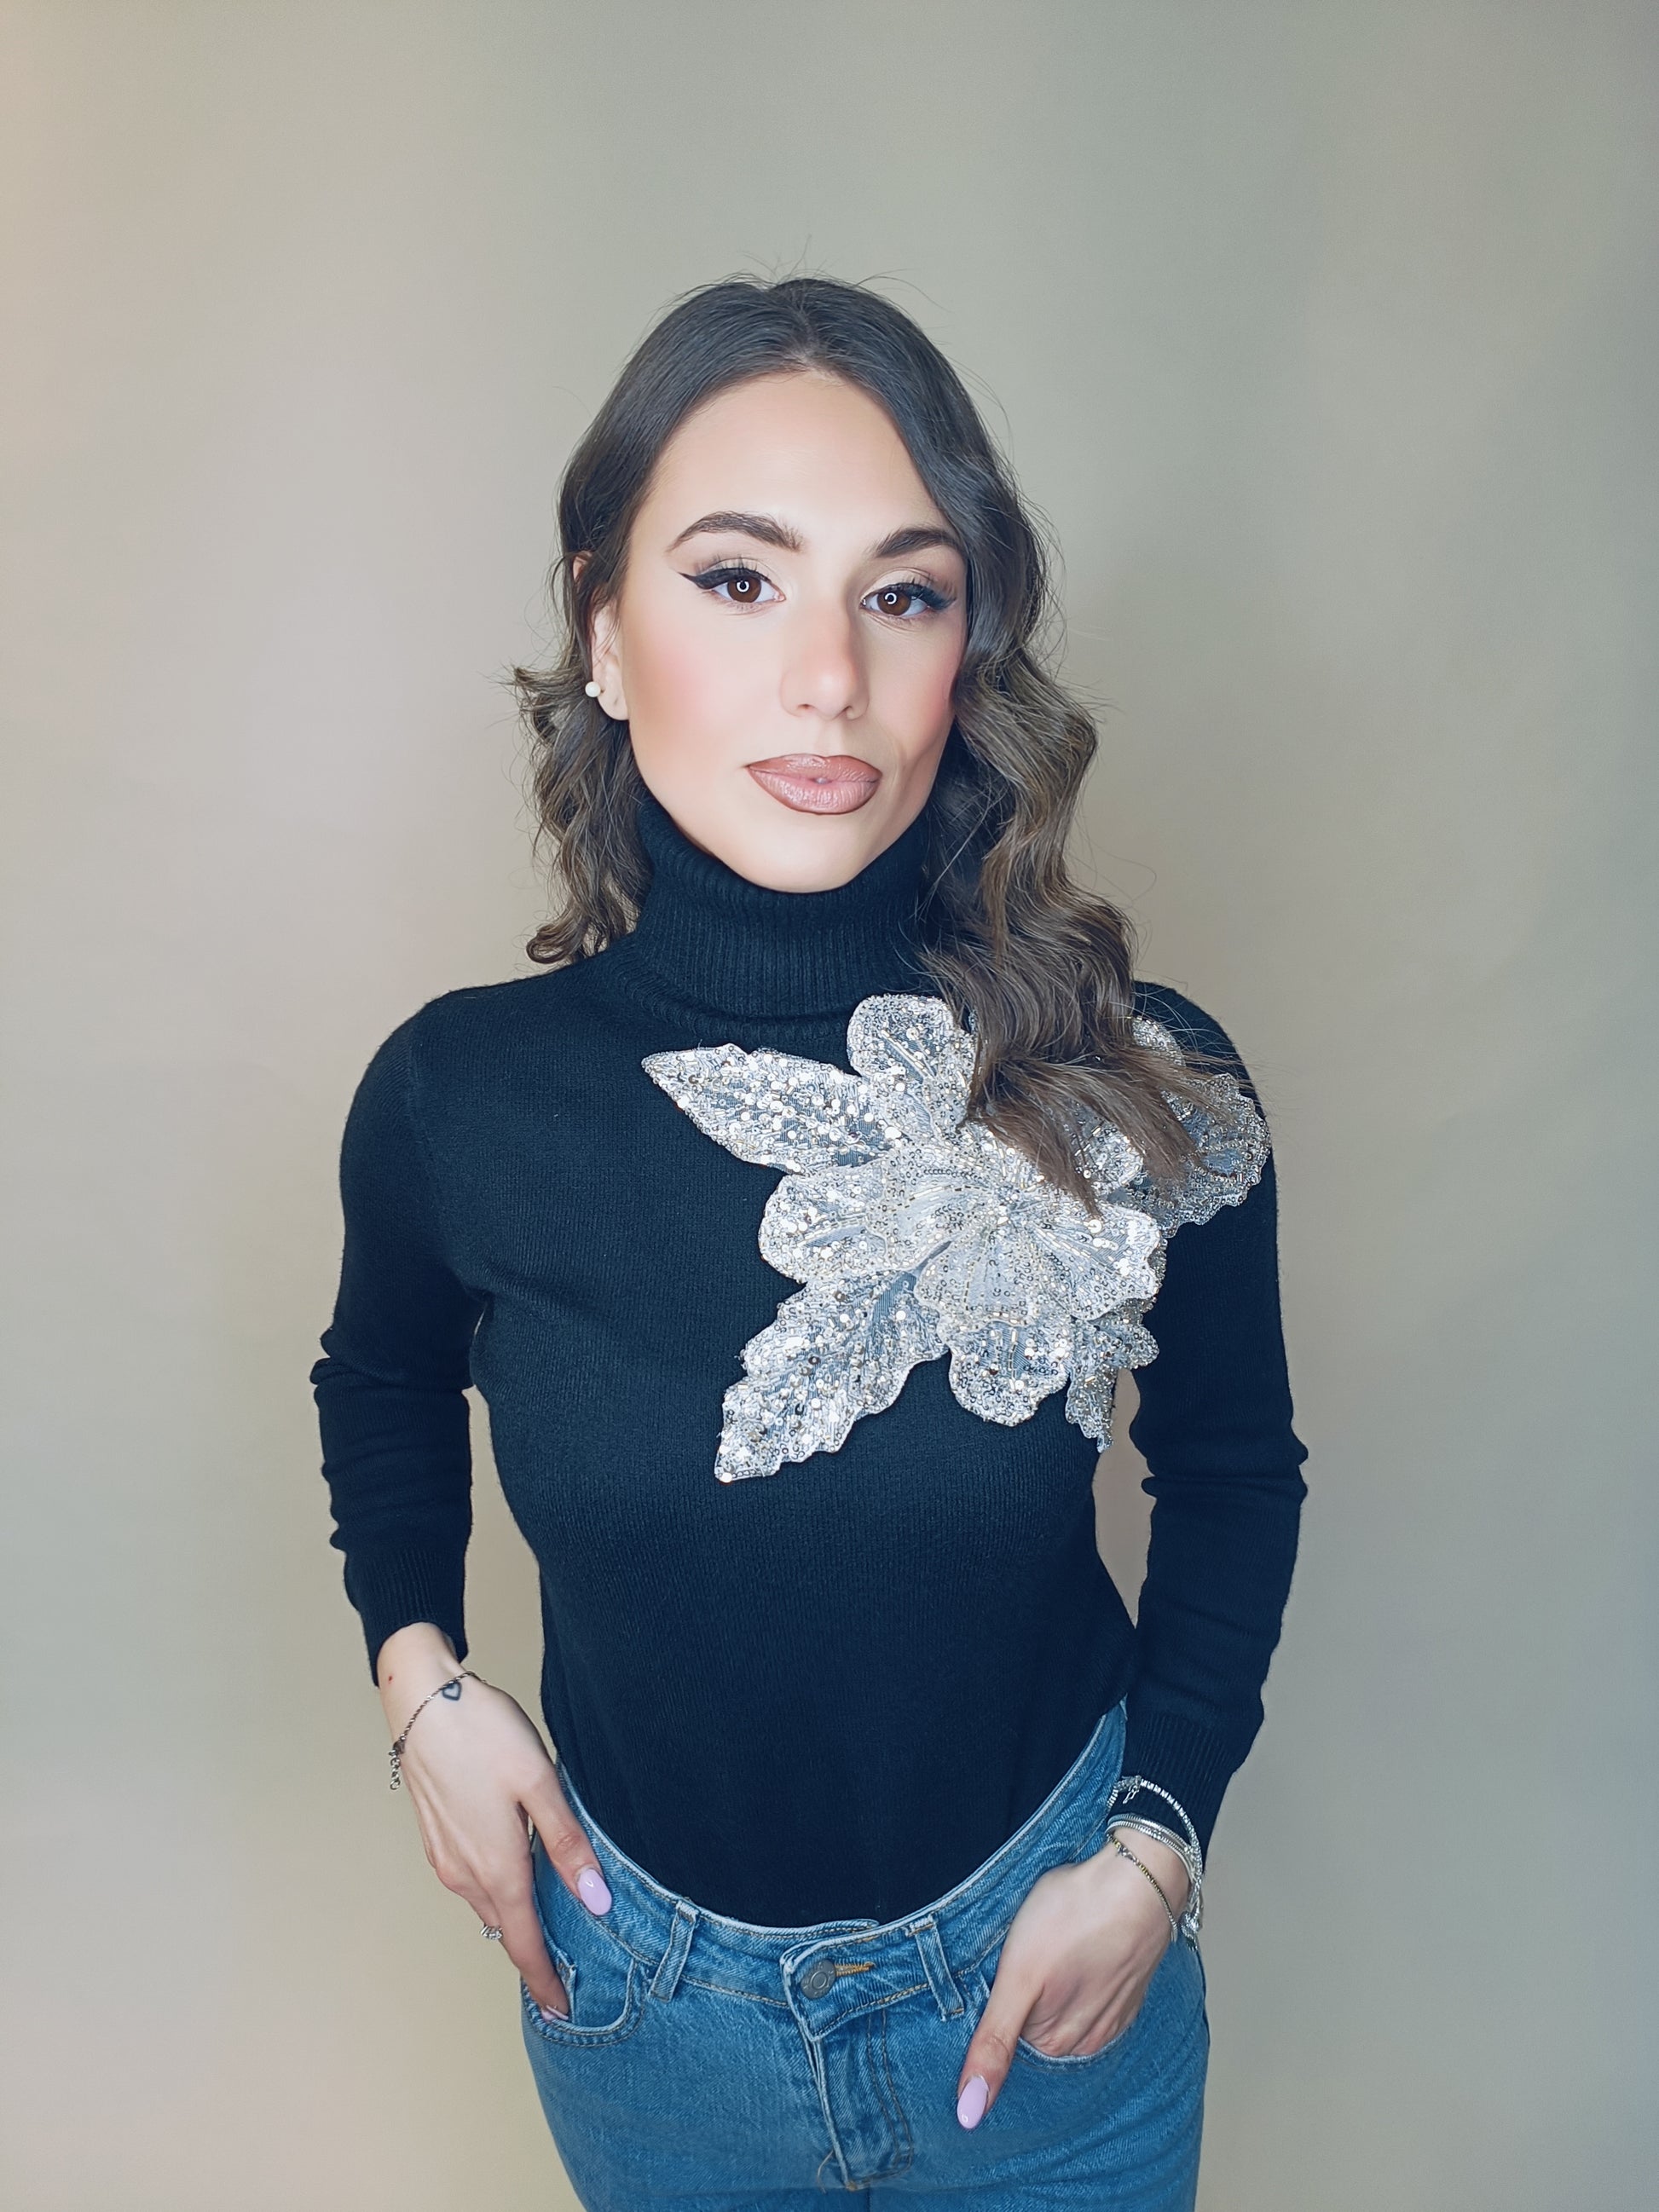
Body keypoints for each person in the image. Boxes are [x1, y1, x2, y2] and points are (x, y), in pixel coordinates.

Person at [311, 274, 1309, 2210]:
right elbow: (378, 1377)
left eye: (902, 593)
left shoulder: (1142, 1086)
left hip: (1049, 1993)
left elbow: (1234, 1469)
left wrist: (1156, 1848)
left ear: (968, 648)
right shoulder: (457, 1097)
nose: (829, 677)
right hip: (644, 2016)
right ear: (605, 629)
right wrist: (418, 1683)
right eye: (738, 579)